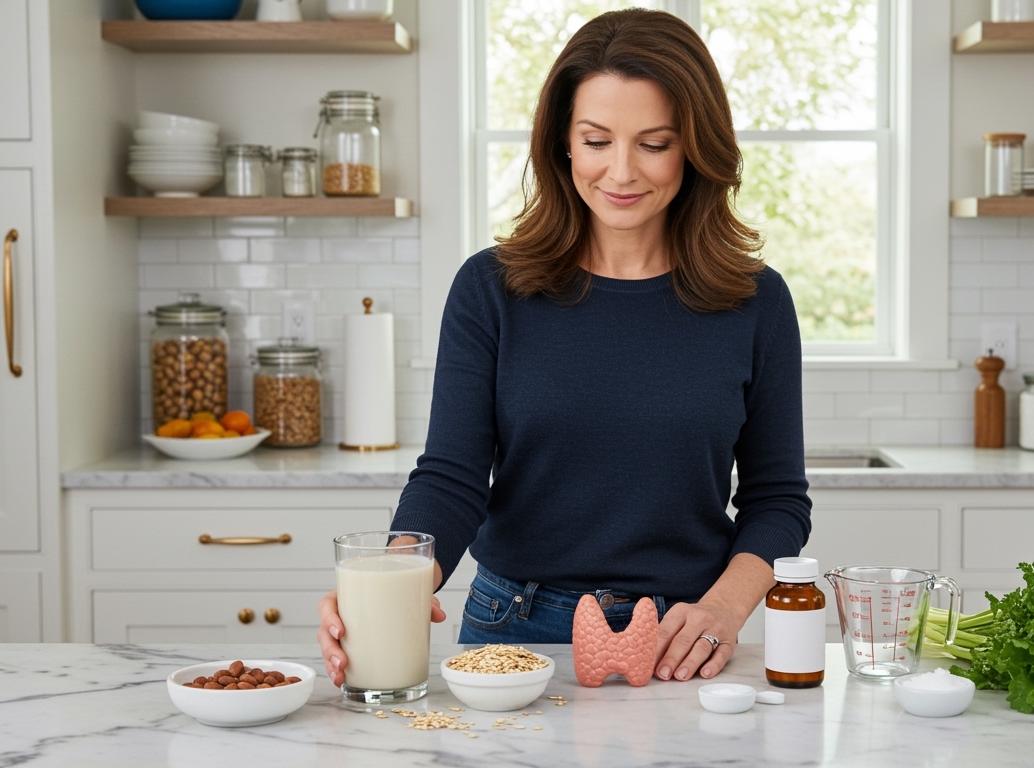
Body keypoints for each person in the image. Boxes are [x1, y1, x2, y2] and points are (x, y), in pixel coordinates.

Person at [318, 7, 810, 686]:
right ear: (564, 145)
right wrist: (390, 577)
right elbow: (452, 477)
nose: (623, 170)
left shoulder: (757, 301)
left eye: (655, 142)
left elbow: (778, 500)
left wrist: (723, 611)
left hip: (683, 638)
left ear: (695, 146)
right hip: (514, 628)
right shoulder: (491, 288)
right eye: (597, 140)